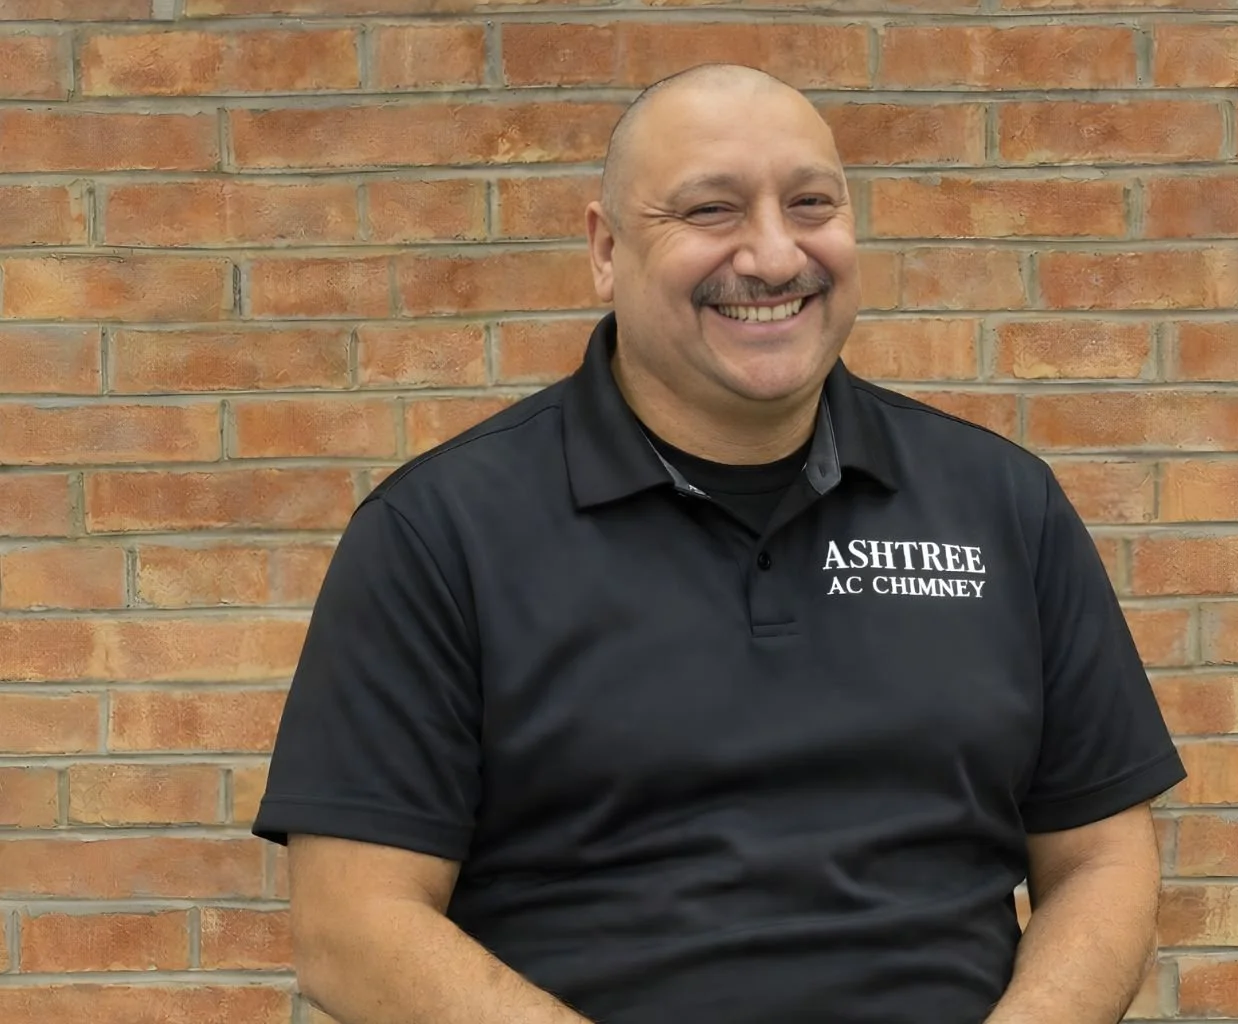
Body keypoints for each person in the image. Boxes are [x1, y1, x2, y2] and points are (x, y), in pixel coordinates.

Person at [254, 63, 1186, 1024]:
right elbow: (350, 924)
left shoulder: (1001, 505)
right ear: (606, 249)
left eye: (811, 203)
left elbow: (1103, 858)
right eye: (712, 211)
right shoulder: (438, 535)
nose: (776, 256)